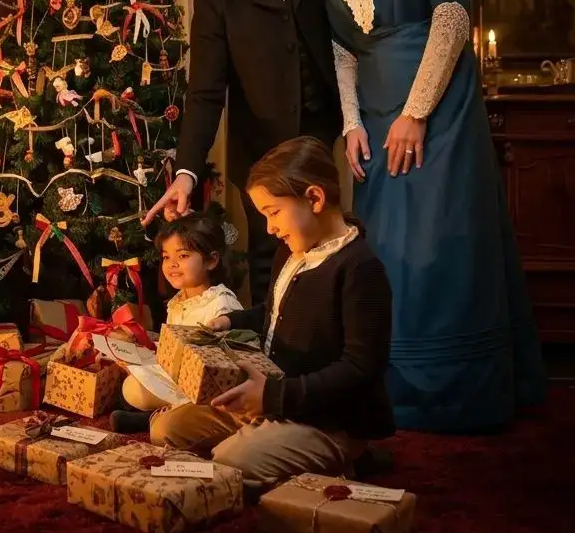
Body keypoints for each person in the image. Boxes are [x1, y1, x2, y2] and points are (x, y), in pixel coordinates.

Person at [290, 0, 546, 433]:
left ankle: (461, 397)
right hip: (376, 120)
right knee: (388, 257)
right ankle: (390, 393)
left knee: (441, 247)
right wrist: (354, 123)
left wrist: (415, 113)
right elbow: (343, 49)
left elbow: (453, 18)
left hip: (441, 110)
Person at [142, 0, 342, 308]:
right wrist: (185, 172)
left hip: (326, 143)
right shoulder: (214, 3)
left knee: (331, 256)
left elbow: (348, 39)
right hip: (262, 161)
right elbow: (205, 95)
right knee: (273, 267)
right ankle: (278, 360)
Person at [148, 137, 394, 488]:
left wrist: (273, 397)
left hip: (324, 420)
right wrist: (231, 321)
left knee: (231, 461)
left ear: (314, 198)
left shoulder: (360, 269)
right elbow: (275, 311)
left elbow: (361, 367)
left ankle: (348, 457)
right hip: (273, 401)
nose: (269, 228)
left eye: (272, 213)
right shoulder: (291, 251)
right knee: (165, 428)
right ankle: (263, 439)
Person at [110, 214, 244, 432]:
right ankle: (153, 415)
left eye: (182, 256)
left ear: (211, 260)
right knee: (129, 379)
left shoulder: (221, 304)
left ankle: (154, 418)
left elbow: (227, 370)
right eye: (166, 257)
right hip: (175, 375)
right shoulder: (177, 301)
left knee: (135, 389)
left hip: (202, 388)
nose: (172, 265)